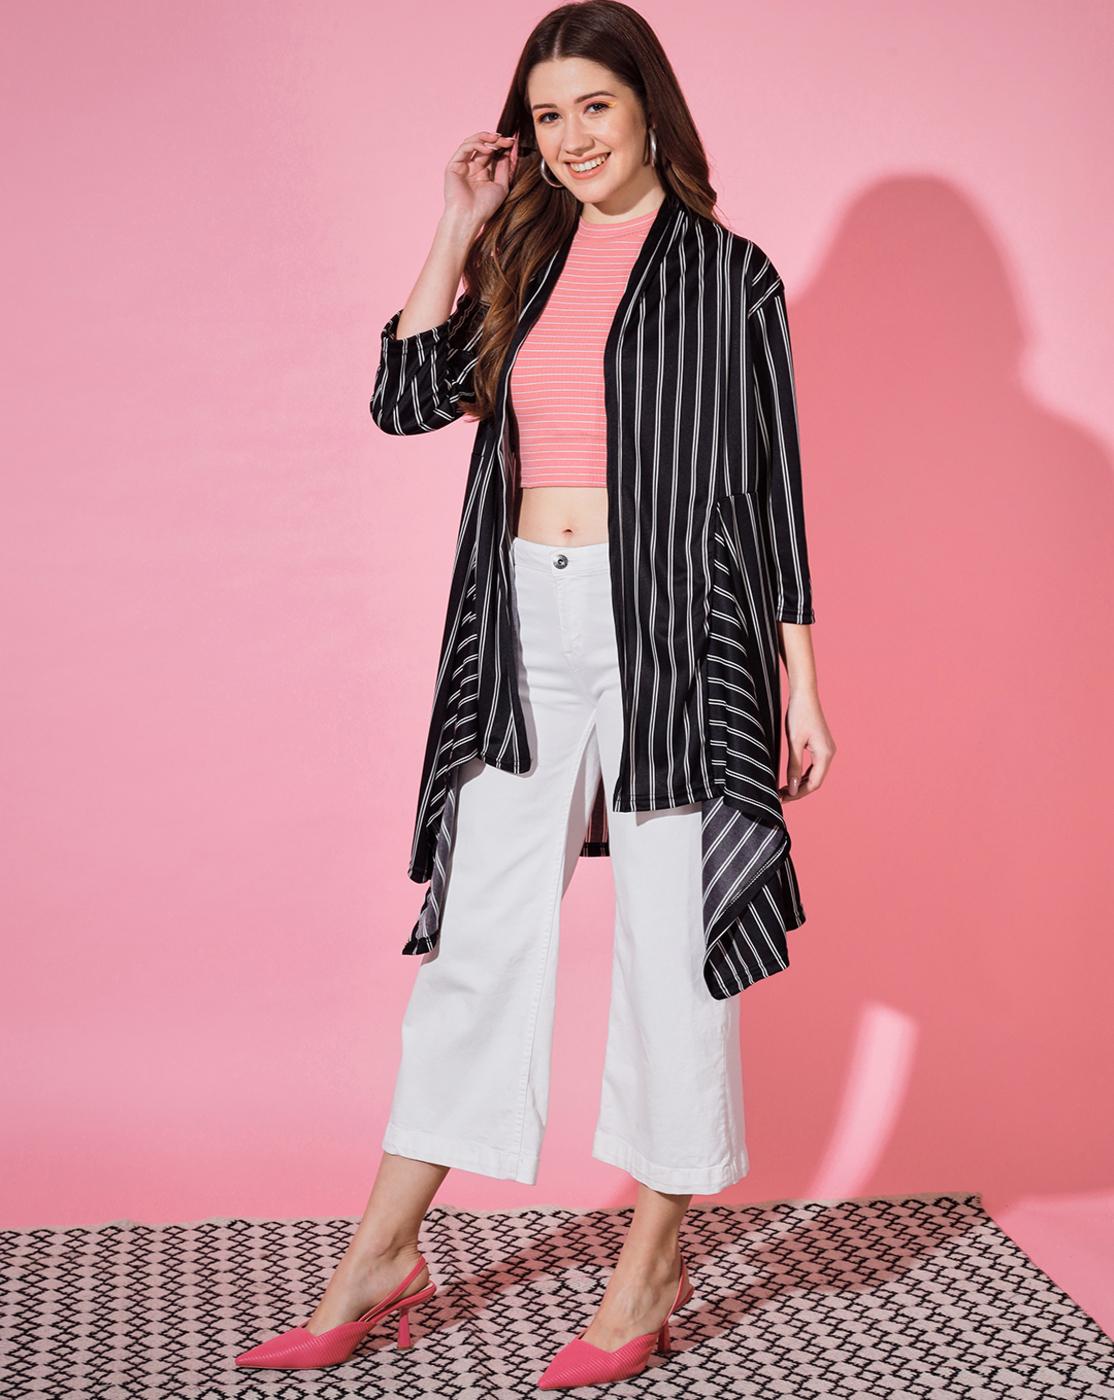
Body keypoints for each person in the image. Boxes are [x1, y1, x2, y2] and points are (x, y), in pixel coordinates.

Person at [236, 0, 835, 1387]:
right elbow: (403, 397)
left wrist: (803, 684)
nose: (570, 138)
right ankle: (381, 1256)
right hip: (519, 628)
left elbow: (775, 494)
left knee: (674, 949)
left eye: (593, 109)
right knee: (477, 943)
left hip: (681, 643)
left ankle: (649, 1267)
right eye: (547, 115)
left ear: (648, 110)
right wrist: (458, 224)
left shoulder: (730, 278)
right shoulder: (524, 252)